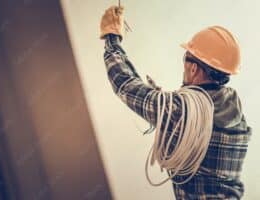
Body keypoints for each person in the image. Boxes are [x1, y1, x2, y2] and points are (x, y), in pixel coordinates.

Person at [100, 6, 252, 200]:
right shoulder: (236, 115)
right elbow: (192, 123)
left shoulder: (181, 112)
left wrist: (111, 37)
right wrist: (166, 106)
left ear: (194, 68)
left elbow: (125, 84)